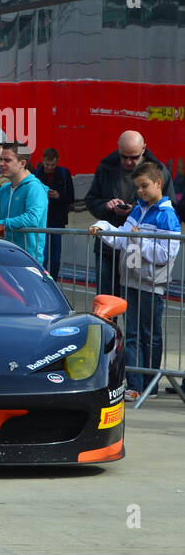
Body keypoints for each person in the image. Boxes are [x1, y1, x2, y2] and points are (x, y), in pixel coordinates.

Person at [90, 162, 180, 401]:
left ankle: (149, 384)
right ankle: (135, 385)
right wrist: (103, 227)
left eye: (144, 186)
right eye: (137, 186)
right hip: (129, 280)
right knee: (131, 335)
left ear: (158, 183)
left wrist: (139, 239)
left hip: (151, 284)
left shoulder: (167, 215)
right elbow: (122, 240)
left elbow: (165, 254)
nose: (140, 191)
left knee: (149, 335)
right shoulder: (138, 209)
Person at [84, 130, 175, 295]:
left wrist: (138, 211)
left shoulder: (158, 171)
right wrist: (107, 206)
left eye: (133, 157)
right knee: (107, 298)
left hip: (138, 248)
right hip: (109, 248)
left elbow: (169, 206)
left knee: (133, 298)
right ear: (118, 150)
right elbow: (90, 200)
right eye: (123, 156)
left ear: (143, 150)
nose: (128, 162)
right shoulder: (106, 168)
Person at [0, 143, 47, 263]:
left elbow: (32, 218)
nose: (1, 163)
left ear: (22, 163)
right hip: (4, 256)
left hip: (27, 259)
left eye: (7, 160)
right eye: (1, 159)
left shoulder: (34, 188)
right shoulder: (4, 189)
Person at [33, 148, 75, 276]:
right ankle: (42, 280)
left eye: (53, 165)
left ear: (57, 162)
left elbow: (71, 197)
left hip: (57, 220)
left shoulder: (64, 173)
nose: (50, 167)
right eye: (47, 165)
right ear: (42, 161)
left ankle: (54, 282)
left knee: (55, 257)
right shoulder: (36, 175)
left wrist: (59, 196)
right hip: (42, 220)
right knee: (42, 256)